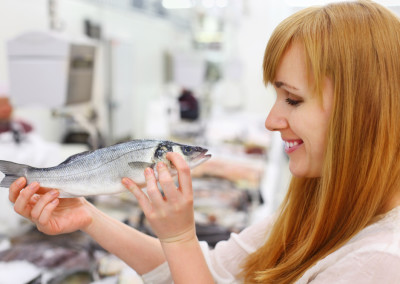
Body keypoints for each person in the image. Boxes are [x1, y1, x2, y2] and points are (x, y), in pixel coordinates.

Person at [7, 1, 400, 283]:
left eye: (293, 99)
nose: (270, 121)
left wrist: (179, 236)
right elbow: (202, 271)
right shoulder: (318, 209)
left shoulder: (379, 264)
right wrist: (88, 215)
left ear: (363, 111)